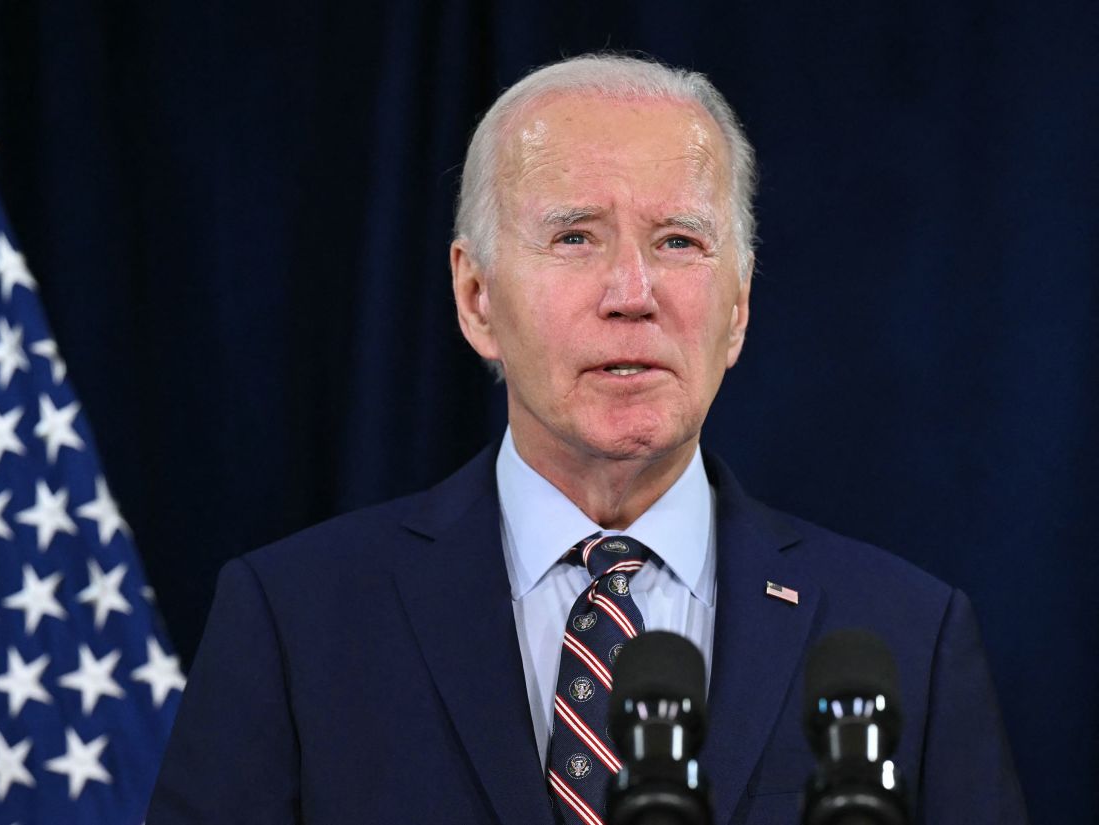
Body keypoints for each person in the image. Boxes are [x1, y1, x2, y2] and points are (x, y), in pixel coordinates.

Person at [147, 53, 1027, 825]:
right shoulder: (295, 622)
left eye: (679, 240)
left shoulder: (908, 637)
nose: (633, 291)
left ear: (739, 309)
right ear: (476, 297)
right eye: (575, 236)